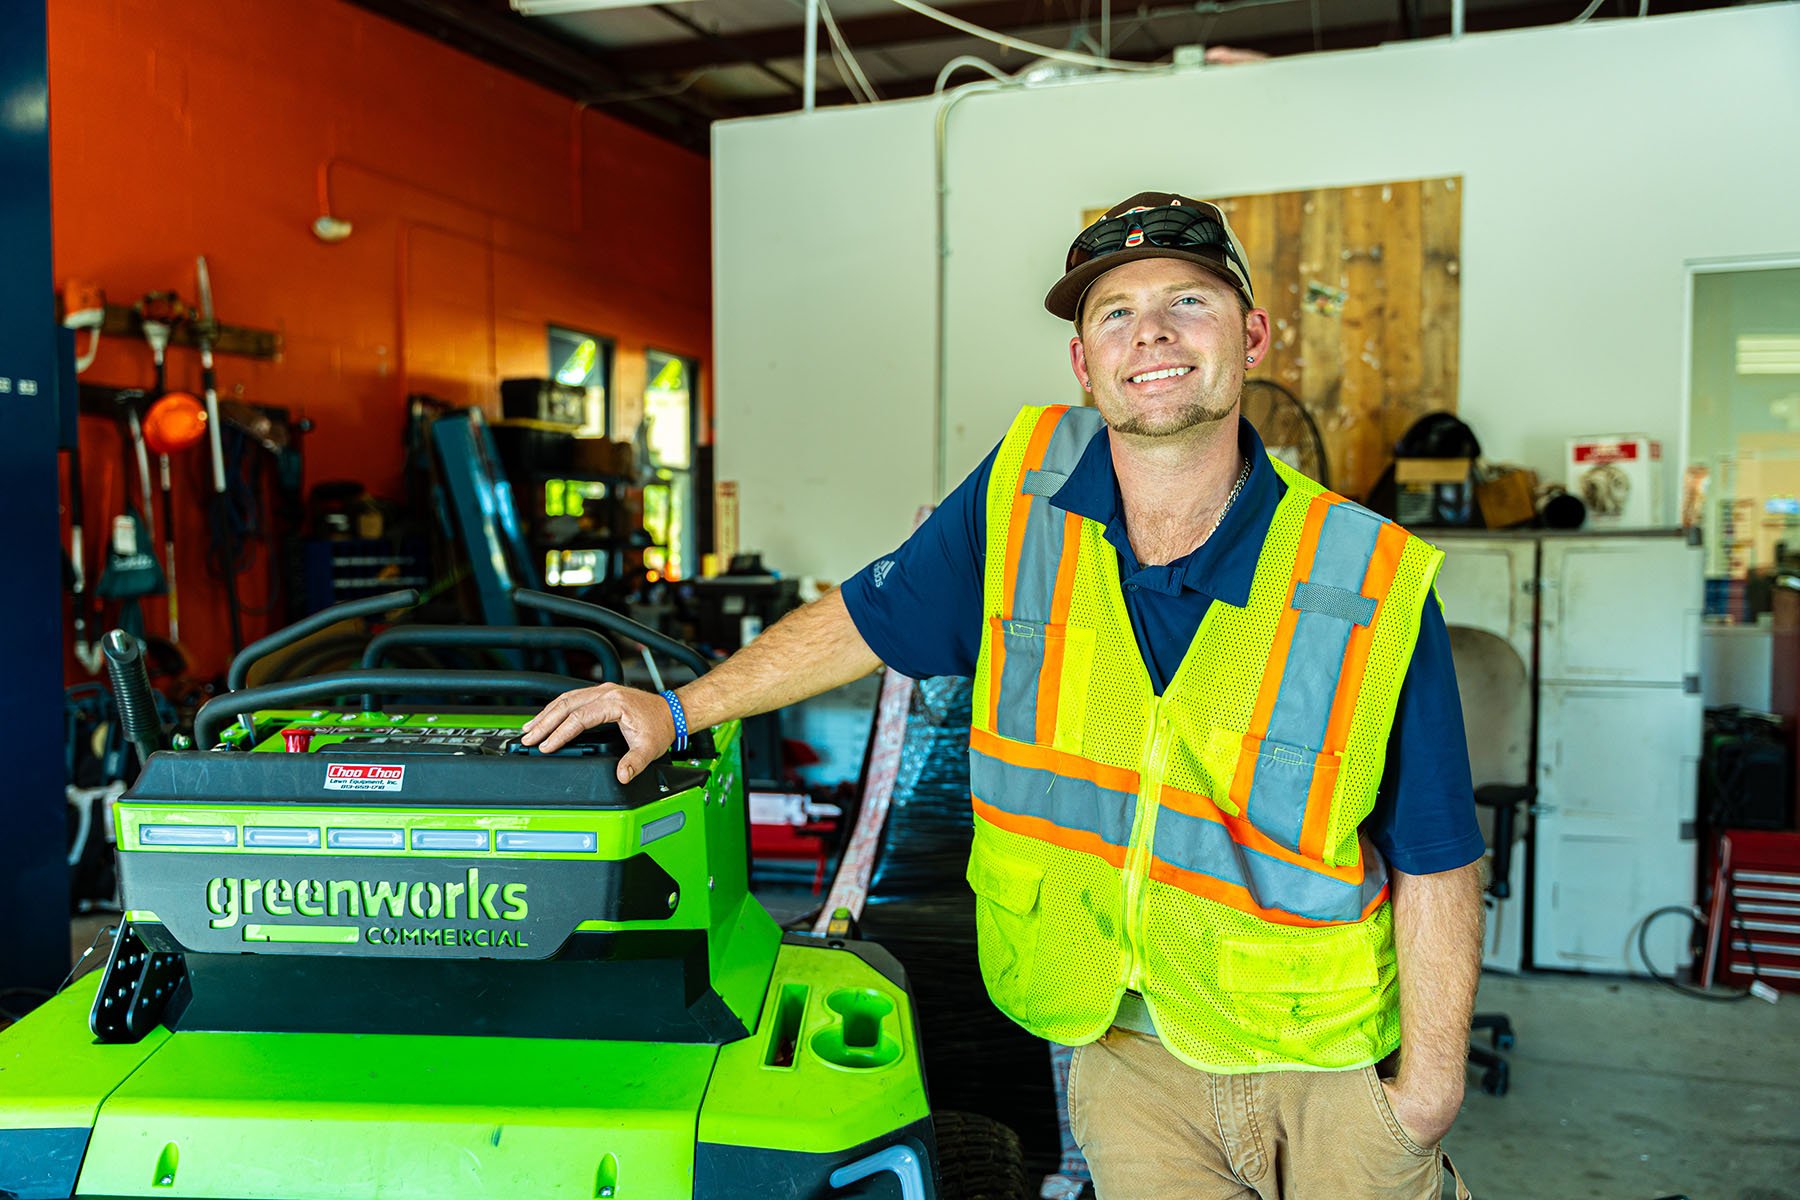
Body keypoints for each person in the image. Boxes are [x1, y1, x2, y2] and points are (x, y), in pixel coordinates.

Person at [523, 191, 1484, 1200]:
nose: (1149, 332)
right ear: (1082, 362)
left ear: (1251, 334)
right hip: (1126, 1063)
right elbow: (863, 618)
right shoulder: (1023, 490)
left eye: (1187, 302)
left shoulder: (1364, 576)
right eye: (1113, 313)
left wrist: (1426, 1093)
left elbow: (1437, 854)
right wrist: (678, 709)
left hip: (1321, 1070)